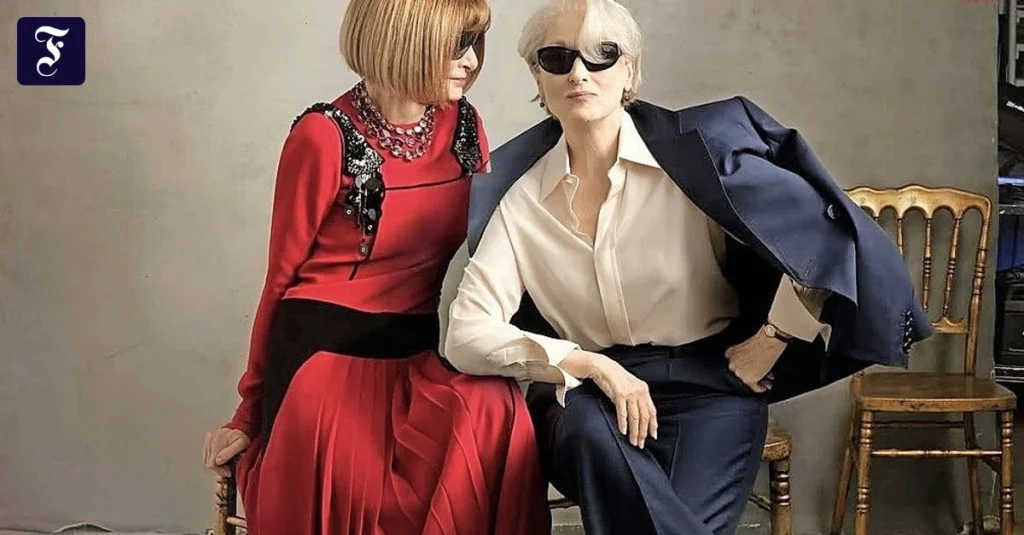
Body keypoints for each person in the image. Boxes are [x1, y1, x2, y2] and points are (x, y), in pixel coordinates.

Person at [443, 0, 932, 534]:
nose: (579, 72)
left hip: (709, 387)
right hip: (588, 395)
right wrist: (591, 365)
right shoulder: (519, 201)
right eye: (557, 58)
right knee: (586, 433)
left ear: (629, 68)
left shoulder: (696, 161)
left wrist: (774, 336)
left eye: (601, 54)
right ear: (537, 76)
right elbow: (465, 334)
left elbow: (828, 235)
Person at [201, 1, 551, 533]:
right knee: (361, 486)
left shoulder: (464, 127)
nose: (472, 61)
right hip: (325, 358)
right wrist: (247, 414)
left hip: (418, 354)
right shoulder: (323, 136)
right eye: (456, 44)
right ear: (404, 40)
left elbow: (494, 250)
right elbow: (279, 282)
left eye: (475, 42)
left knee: (494, 412)